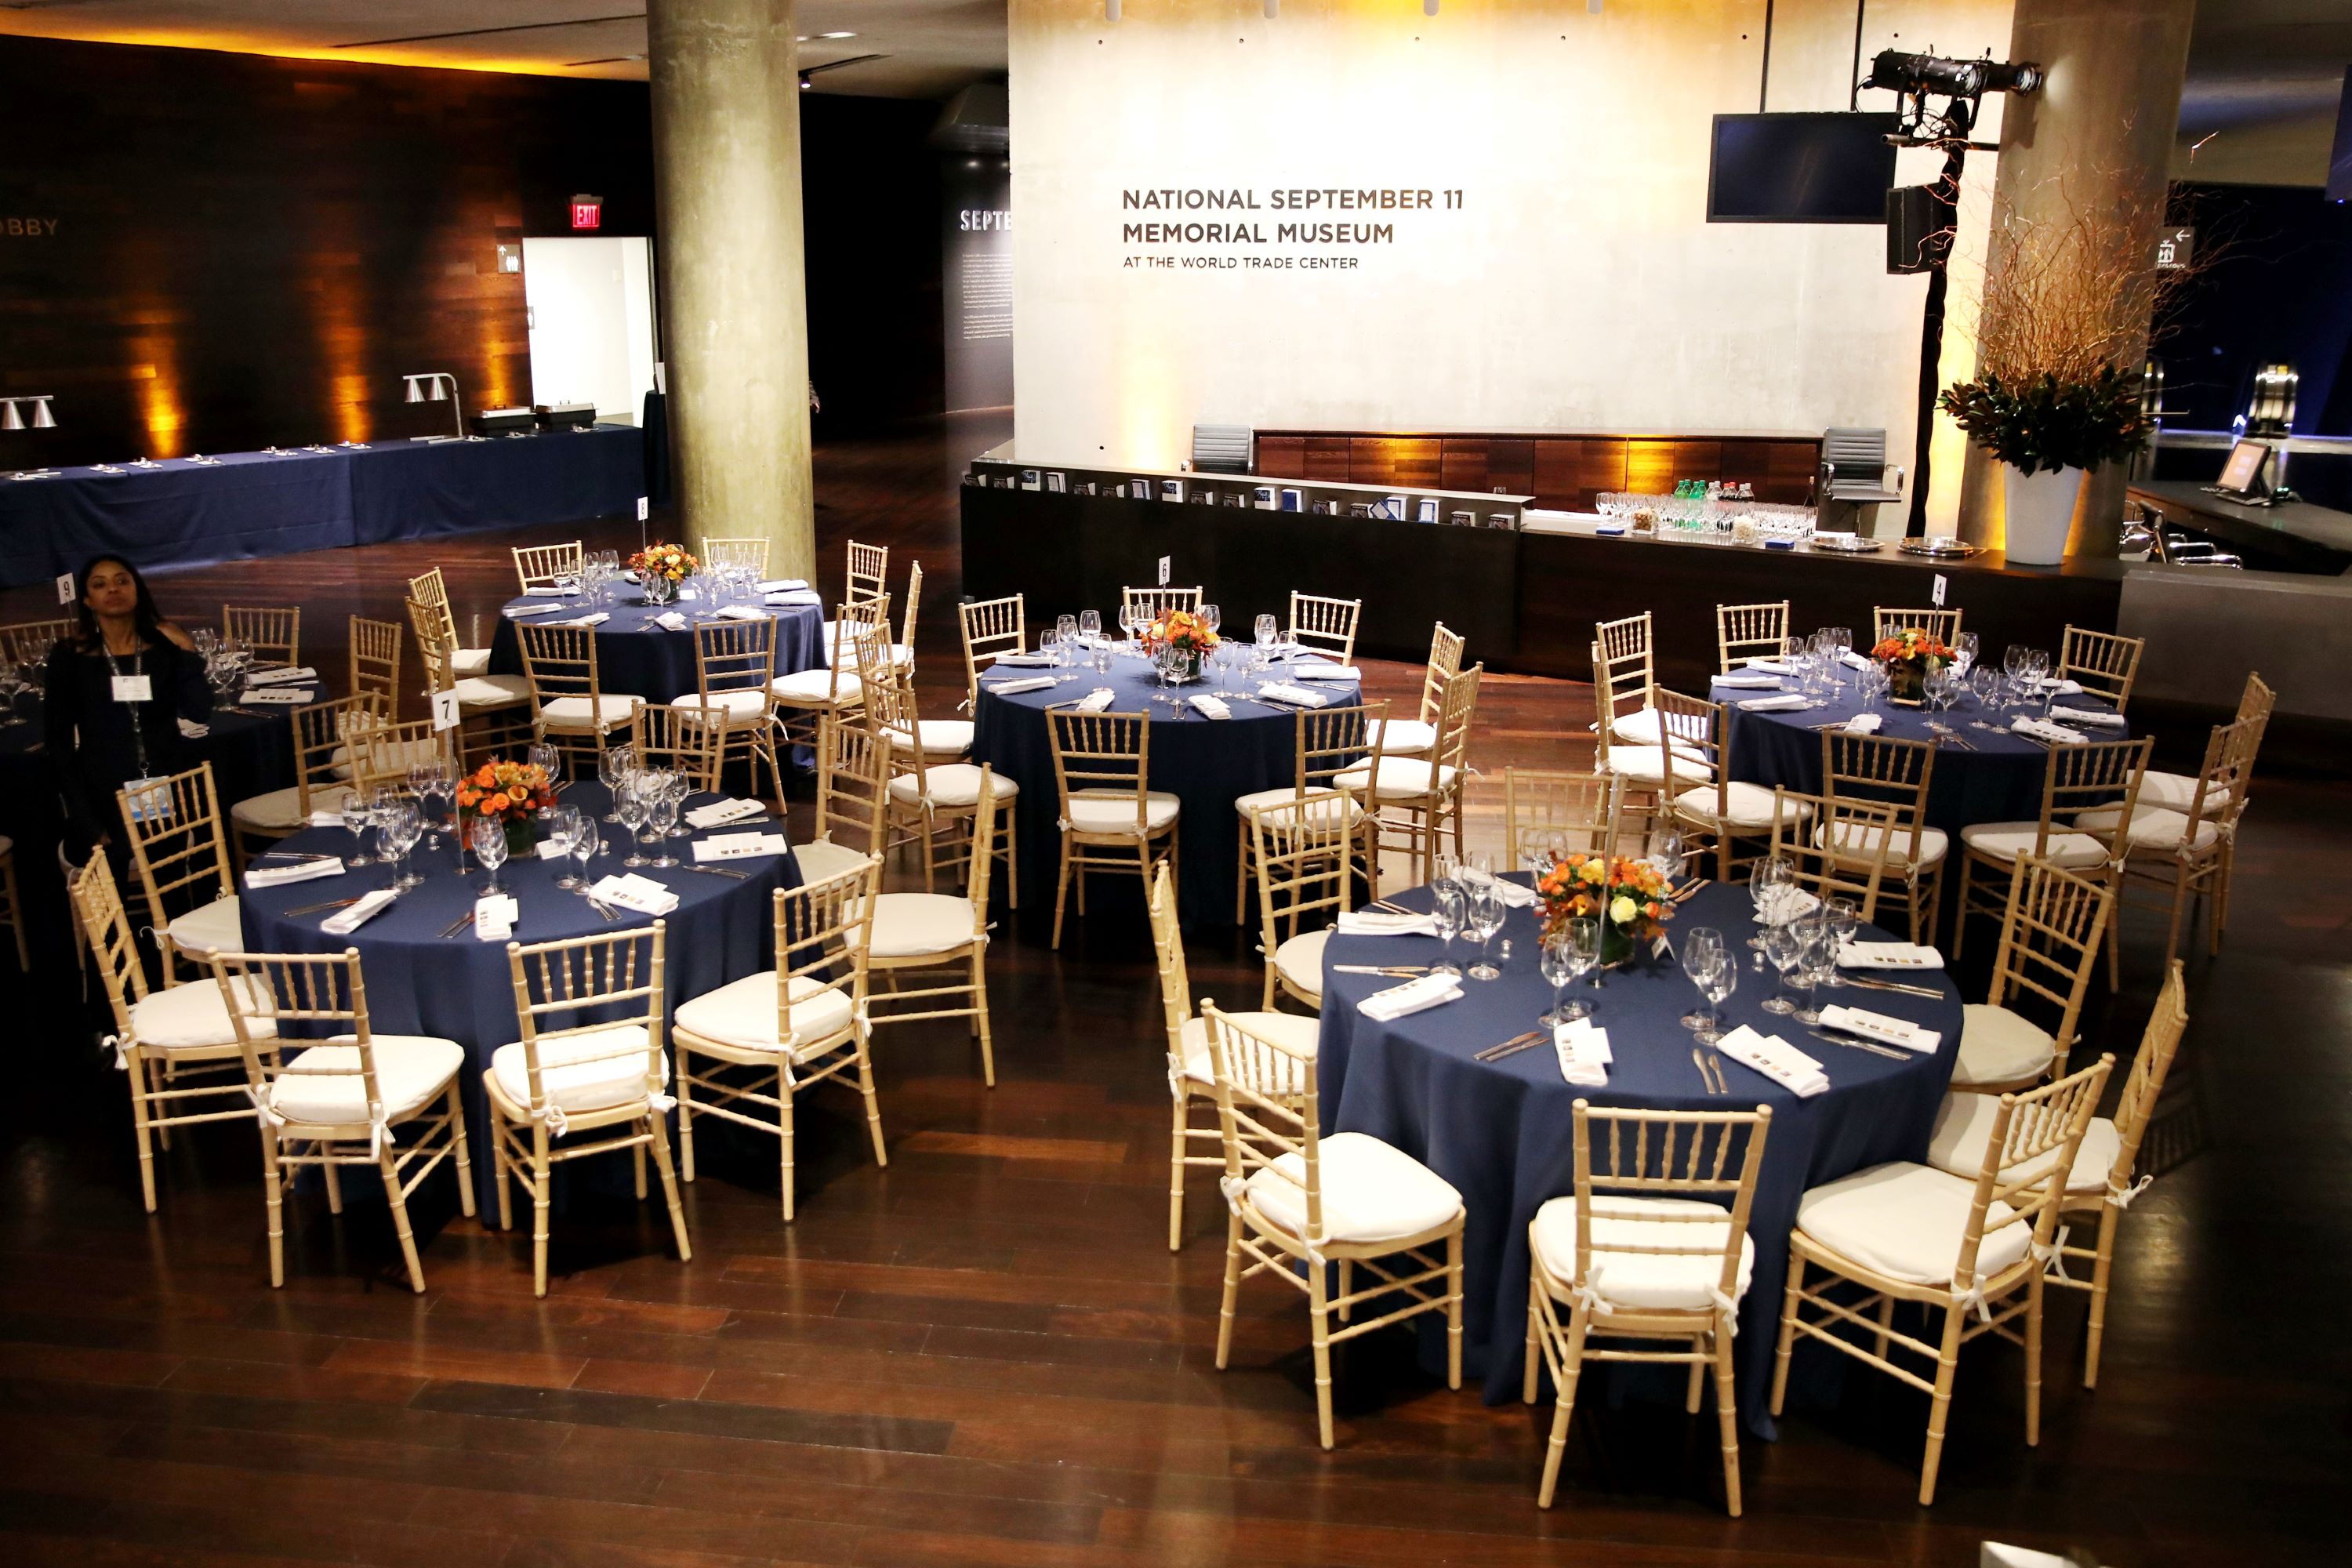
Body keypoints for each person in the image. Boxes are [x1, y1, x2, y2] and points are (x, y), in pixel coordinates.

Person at [44, 554, 209, 859]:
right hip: (103, 791)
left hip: (165, 784)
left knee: (171, 884)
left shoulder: (162, 649)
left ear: (137, 590)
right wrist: (81, 815)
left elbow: (200, 712)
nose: (113, 589)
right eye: (100, 584)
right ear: (88, 600)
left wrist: (187, 651)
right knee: (114, 887)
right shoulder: (70, 657)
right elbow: (59, 742)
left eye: (122, 580)